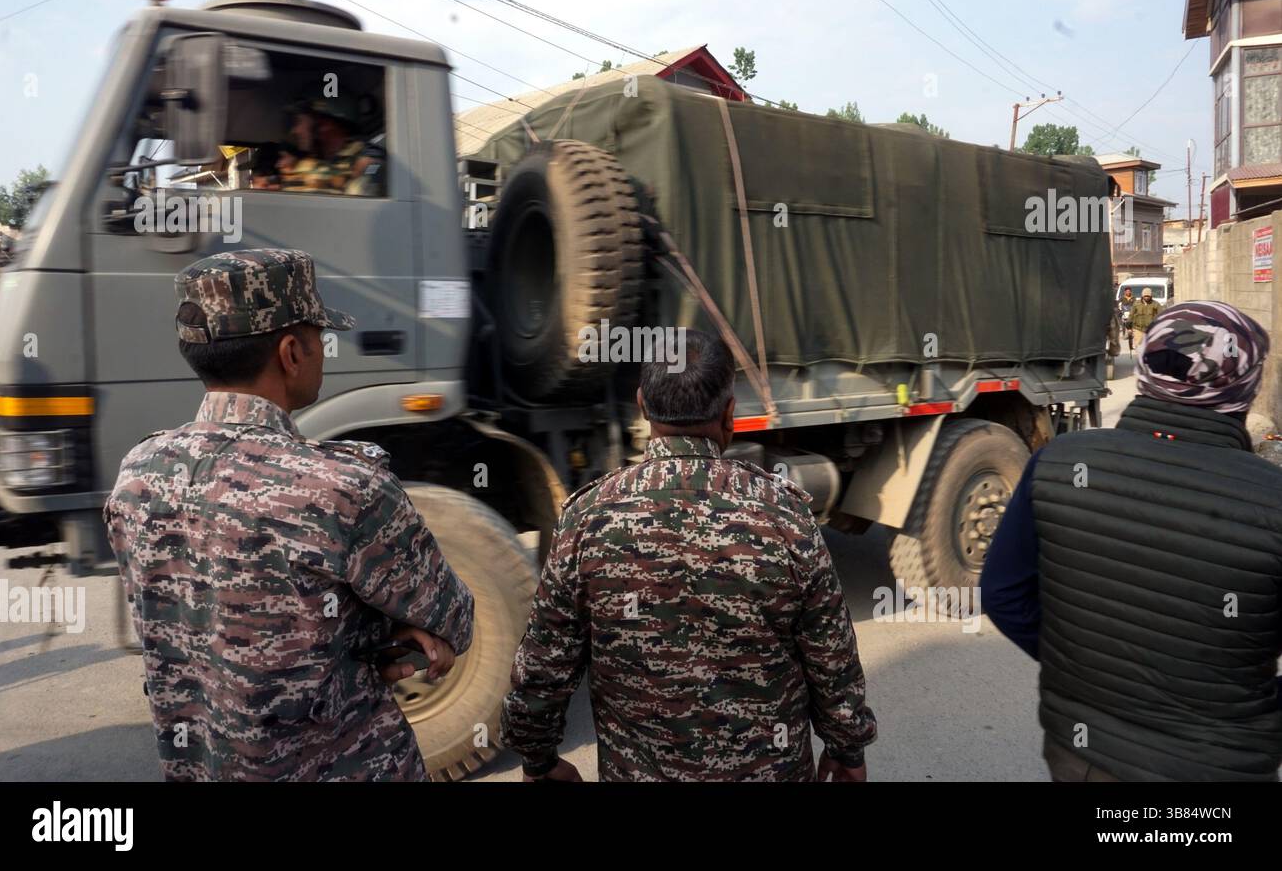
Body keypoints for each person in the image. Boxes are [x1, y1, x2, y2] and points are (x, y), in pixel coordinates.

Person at [104, 248, 473, 780]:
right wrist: (393, 635)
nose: (325, 351)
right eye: (320, 337)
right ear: (291, 352)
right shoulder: (345, 487)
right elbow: (452, 615)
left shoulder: (137, 472)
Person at [500, 329, 877, 781]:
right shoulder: (785, 516)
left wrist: (539, 760)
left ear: (642, 405)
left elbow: (545, 663)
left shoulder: (588, 519)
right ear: (731, 412)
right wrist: (846, 749)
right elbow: (830, 654)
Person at [980, 301, 1282, 781]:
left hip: (1079, 754)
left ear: (1146, 365)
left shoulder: (1060, 462)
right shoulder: (1271, 499)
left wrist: (1081, 667)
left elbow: (1002, 593)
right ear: (1245, 383)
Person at [278, 98, 384, 196]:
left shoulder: (366, 161)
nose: (295, 131)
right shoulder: (306, 165)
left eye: (299, 122)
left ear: (324, 124)